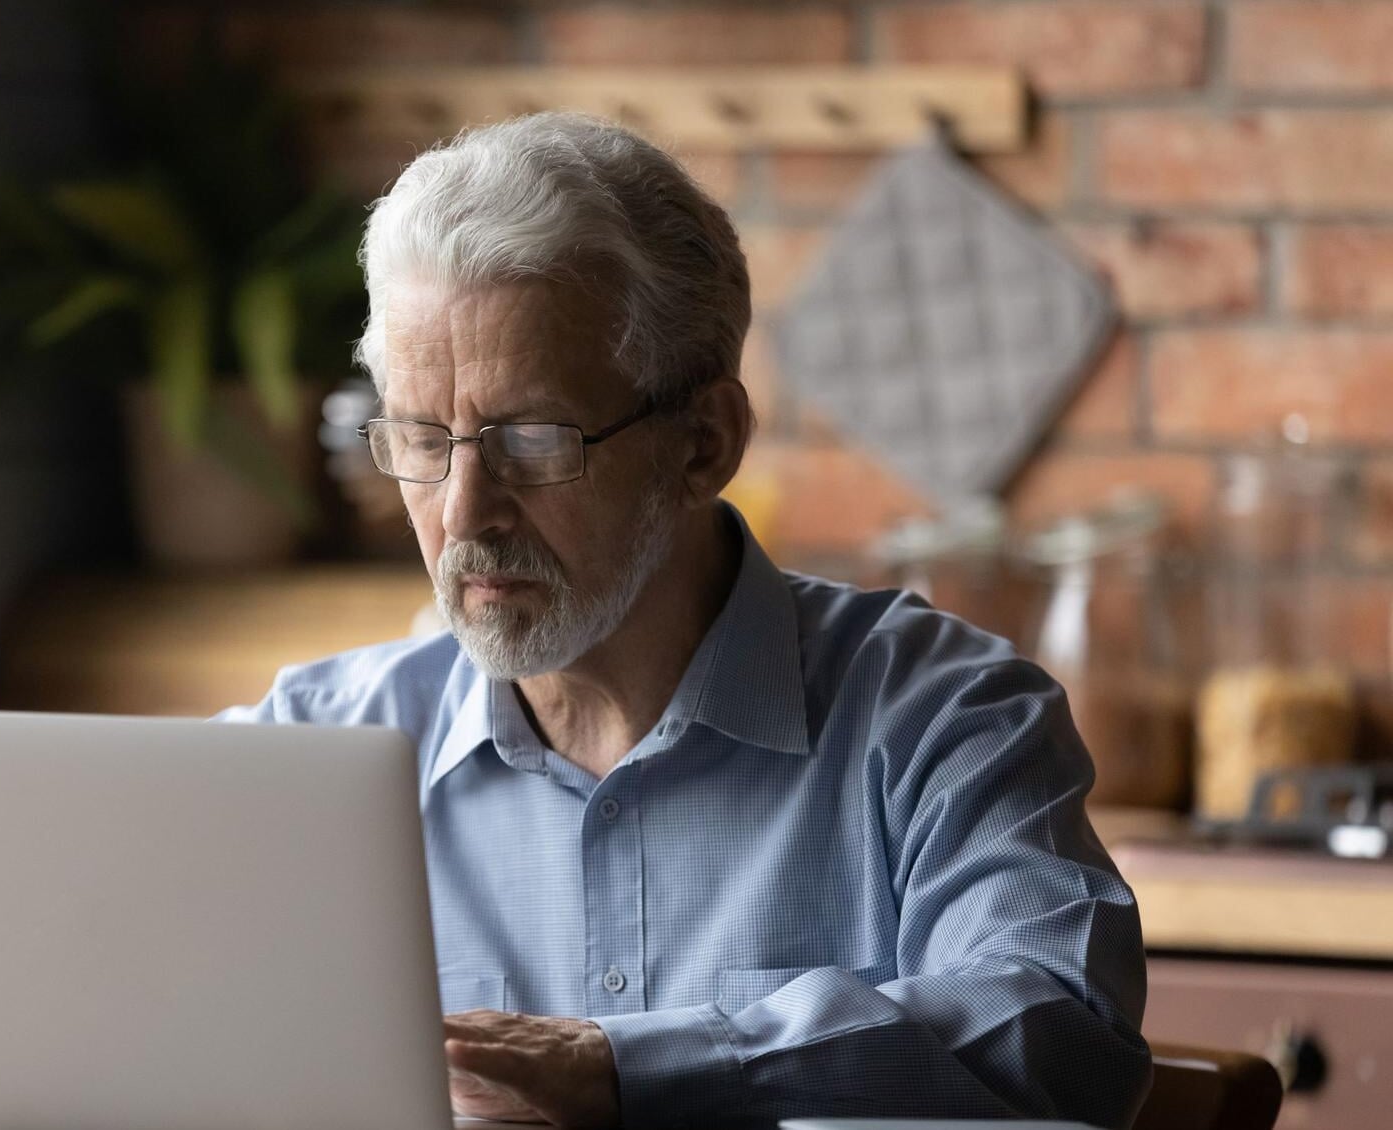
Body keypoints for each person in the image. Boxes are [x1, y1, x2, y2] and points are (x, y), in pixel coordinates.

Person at [220, 111, 1150, 1129]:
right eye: (421, 437)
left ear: (703, 442)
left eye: (531, 440)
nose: (462, 511)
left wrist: (634, 1066)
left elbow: (1065, 1032)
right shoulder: (307, 750)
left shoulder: (942, 721)